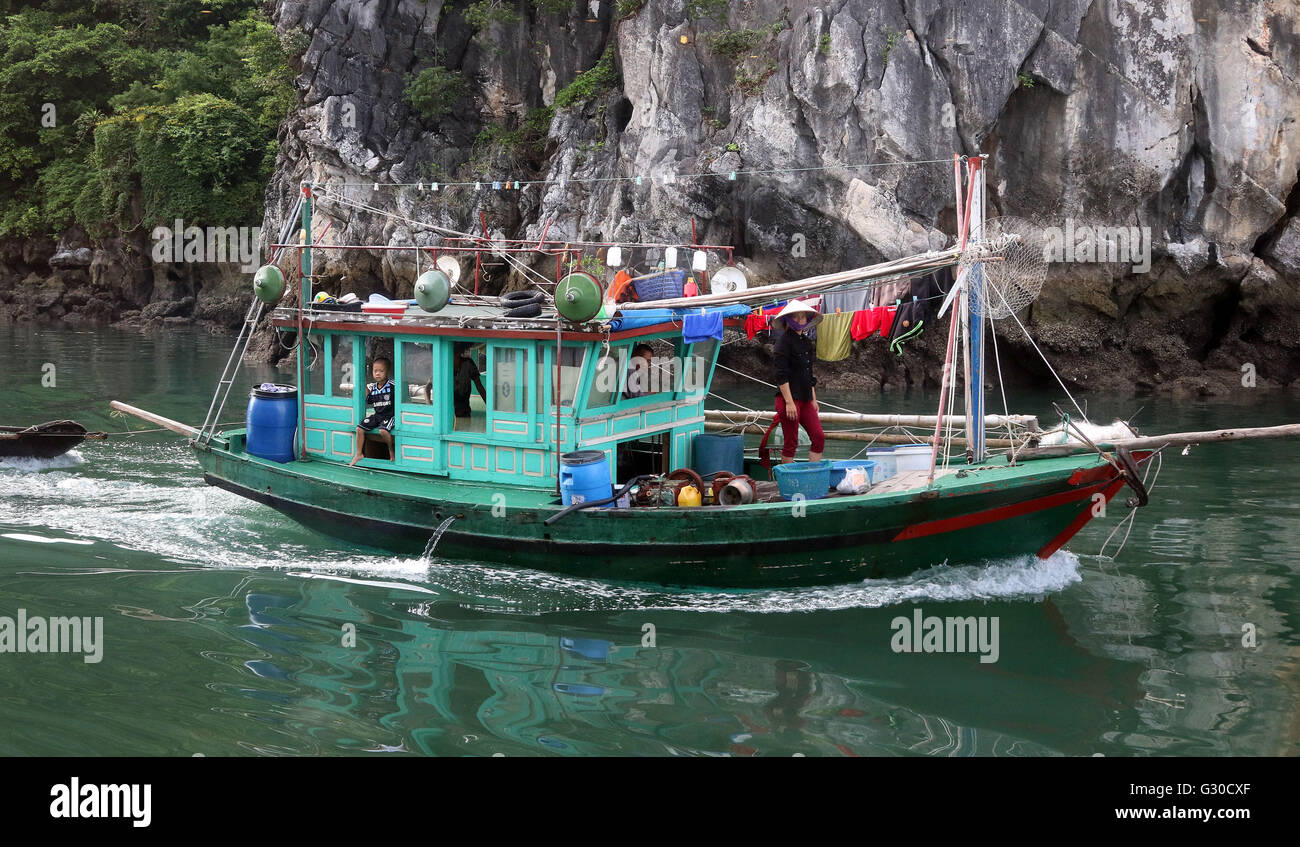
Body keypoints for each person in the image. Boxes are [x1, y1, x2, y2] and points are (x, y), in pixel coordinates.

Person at [771, 300, 825, 464]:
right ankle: (788, 478)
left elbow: (809, 373)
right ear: (788, 319)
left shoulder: (807, 342)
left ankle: (812, 472)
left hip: (806, 398)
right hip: (788, 399)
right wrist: (789, 402)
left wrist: (813, 399)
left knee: (818, 436)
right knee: (791, 442)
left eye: (804, 317)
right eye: (797, 317)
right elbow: (781, 375)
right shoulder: (783, 343)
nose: (801, 321)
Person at [349, 356, 395, 466]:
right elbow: (369, 400)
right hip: (377, 416)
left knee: (383, 431)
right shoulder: (373, 387)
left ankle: (391, 450)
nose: (378, 373)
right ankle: (359, 453)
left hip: (389, 416)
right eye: (375, 371)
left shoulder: (393, 385)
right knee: (359, 428)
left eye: (381, 371)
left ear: (387, 371)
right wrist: (363, 385)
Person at [453, 342, 487, 418]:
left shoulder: (468, 364)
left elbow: (479, 386)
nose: (456, 355)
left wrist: (491, 408)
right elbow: (427, 388)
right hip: (447, 413)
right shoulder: (443, 365)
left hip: (464, 412)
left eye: (457, 352)